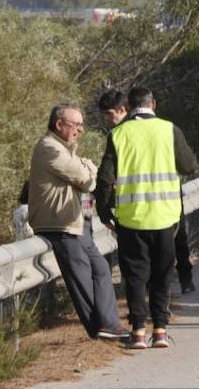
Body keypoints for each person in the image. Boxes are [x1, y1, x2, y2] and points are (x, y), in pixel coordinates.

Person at [95, 86, 199, 350]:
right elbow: (189, 165)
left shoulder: (118, 134)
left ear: (128, 107)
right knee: (162, 274)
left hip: (131, 218)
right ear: (154, 103)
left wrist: (104, 210)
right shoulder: (169, 129)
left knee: (135, 276)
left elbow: (105, 177)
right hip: (165, 216)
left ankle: (138, 331)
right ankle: (161, 331)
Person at [28, 104, 127, 341]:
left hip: (75, 222)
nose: (80, 130)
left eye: (82, 125)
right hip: (58, 224)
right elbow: (87, 180)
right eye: (76, 125)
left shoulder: (65, 149)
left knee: (101, 269)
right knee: (81, 277)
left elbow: (88, 174)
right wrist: (88, 169)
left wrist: (88, 169)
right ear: (59, 124)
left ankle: (109, 324)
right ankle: (99, 328)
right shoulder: (49, 149)